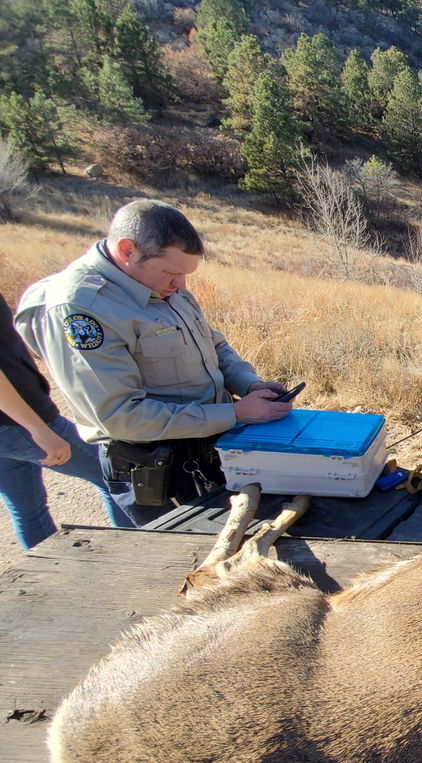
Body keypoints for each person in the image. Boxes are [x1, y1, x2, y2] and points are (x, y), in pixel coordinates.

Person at [17, 199, 293, 526]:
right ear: (127, 251)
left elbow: (213, 345)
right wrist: (236, 413)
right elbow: (122, 416)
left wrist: (249, 385)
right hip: (156, 469)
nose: (180, 286)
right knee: (184, 554)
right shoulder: (82, 308)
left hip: (209, 451)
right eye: (172, 273)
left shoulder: (161, 284)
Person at [0, 294, 133, 549]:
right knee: (116, 478)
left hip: (12, 426)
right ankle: (133, 554)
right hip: (17, 422)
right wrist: (37, 428)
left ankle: (47, 569)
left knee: (27, 508)